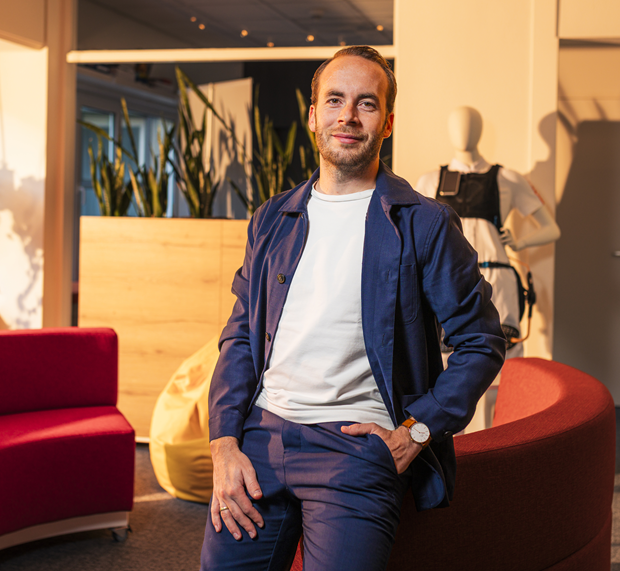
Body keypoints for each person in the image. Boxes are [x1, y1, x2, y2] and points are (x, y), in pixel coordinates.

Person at [201, 46, 506, 571]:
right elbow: (239, 337)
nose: (347, 116)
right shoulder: (273, 218)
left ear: (387, 123)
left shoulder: (424, 223)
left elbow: (481, 342)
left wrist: (417, 431)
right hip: (259, 440)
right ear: (313, 115)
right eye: (335, 100)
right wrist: (224, 443)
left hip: (354, 452)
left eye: (366, 103)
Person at [416, 106, 560, 356]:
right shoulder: (429, 181)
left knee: (502, 355)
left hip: (498, 280)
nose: (463, 133)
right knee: (447, 356)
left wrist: (520, 242)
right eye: (458, 125)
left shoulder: (508, 179)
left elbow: (551, 229)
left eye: (469, 125)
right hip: (449, 280)